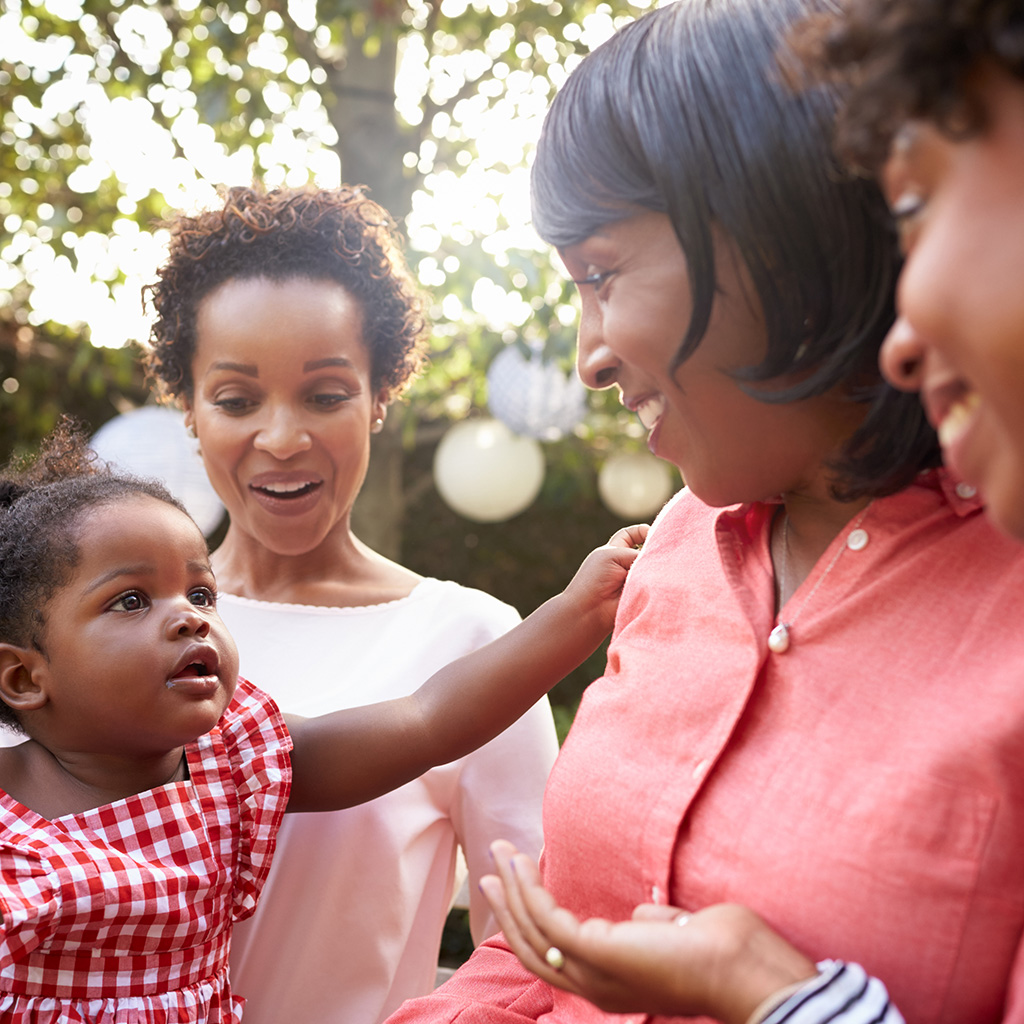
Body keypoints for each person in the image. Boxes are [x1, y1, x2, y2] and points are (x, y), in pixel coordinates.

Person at [385, 2, 1024, 1024]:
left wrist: (773, 998)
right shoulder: (672, 545)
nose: (589, 354)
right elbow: (549, 944)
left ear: (782, 234)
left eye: (600, 275)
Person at [0, 421, 642, 1023]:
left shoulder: (233, 763)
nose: (188, 617)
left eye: (200, 593)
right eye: (131, 600)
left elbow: (427, 722)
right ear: (26, 678)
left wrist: (579, 613)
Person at [142, 185, 560, 1023]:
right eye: (235, 399)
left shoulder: (469, 640)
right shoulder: (105, 632)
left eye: (326, 394)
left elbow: (534, 953)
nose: (283, 436)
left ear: (379, 397)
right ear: (187, 410)